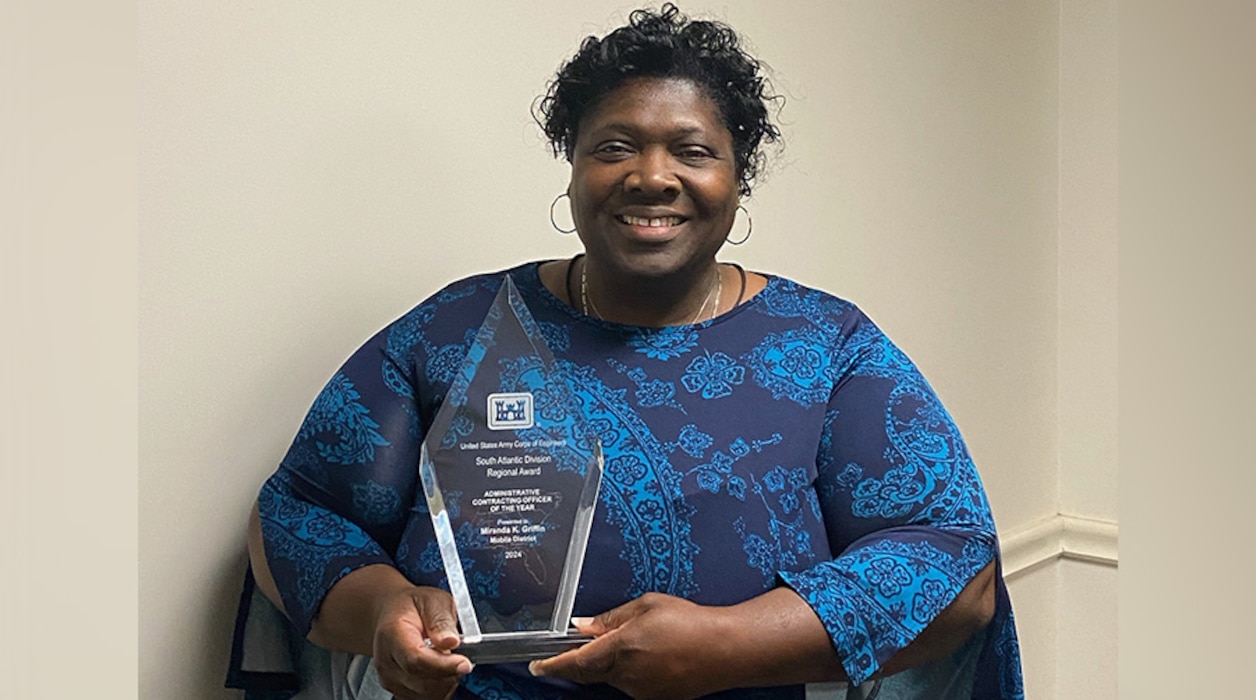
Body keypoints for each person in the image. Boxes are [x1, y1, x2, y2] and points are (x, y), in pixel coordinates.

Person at [227, 5, 1024, 699]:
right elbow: (297, 512)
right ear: (571, 169)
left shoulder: (826, 347)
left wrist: (729, 646)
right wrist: (382, 613)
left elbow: (955, 562)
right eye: (614, 147)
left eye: (693, 151)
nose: (652, 176)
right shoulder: (455, 331)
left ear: (737, 178)